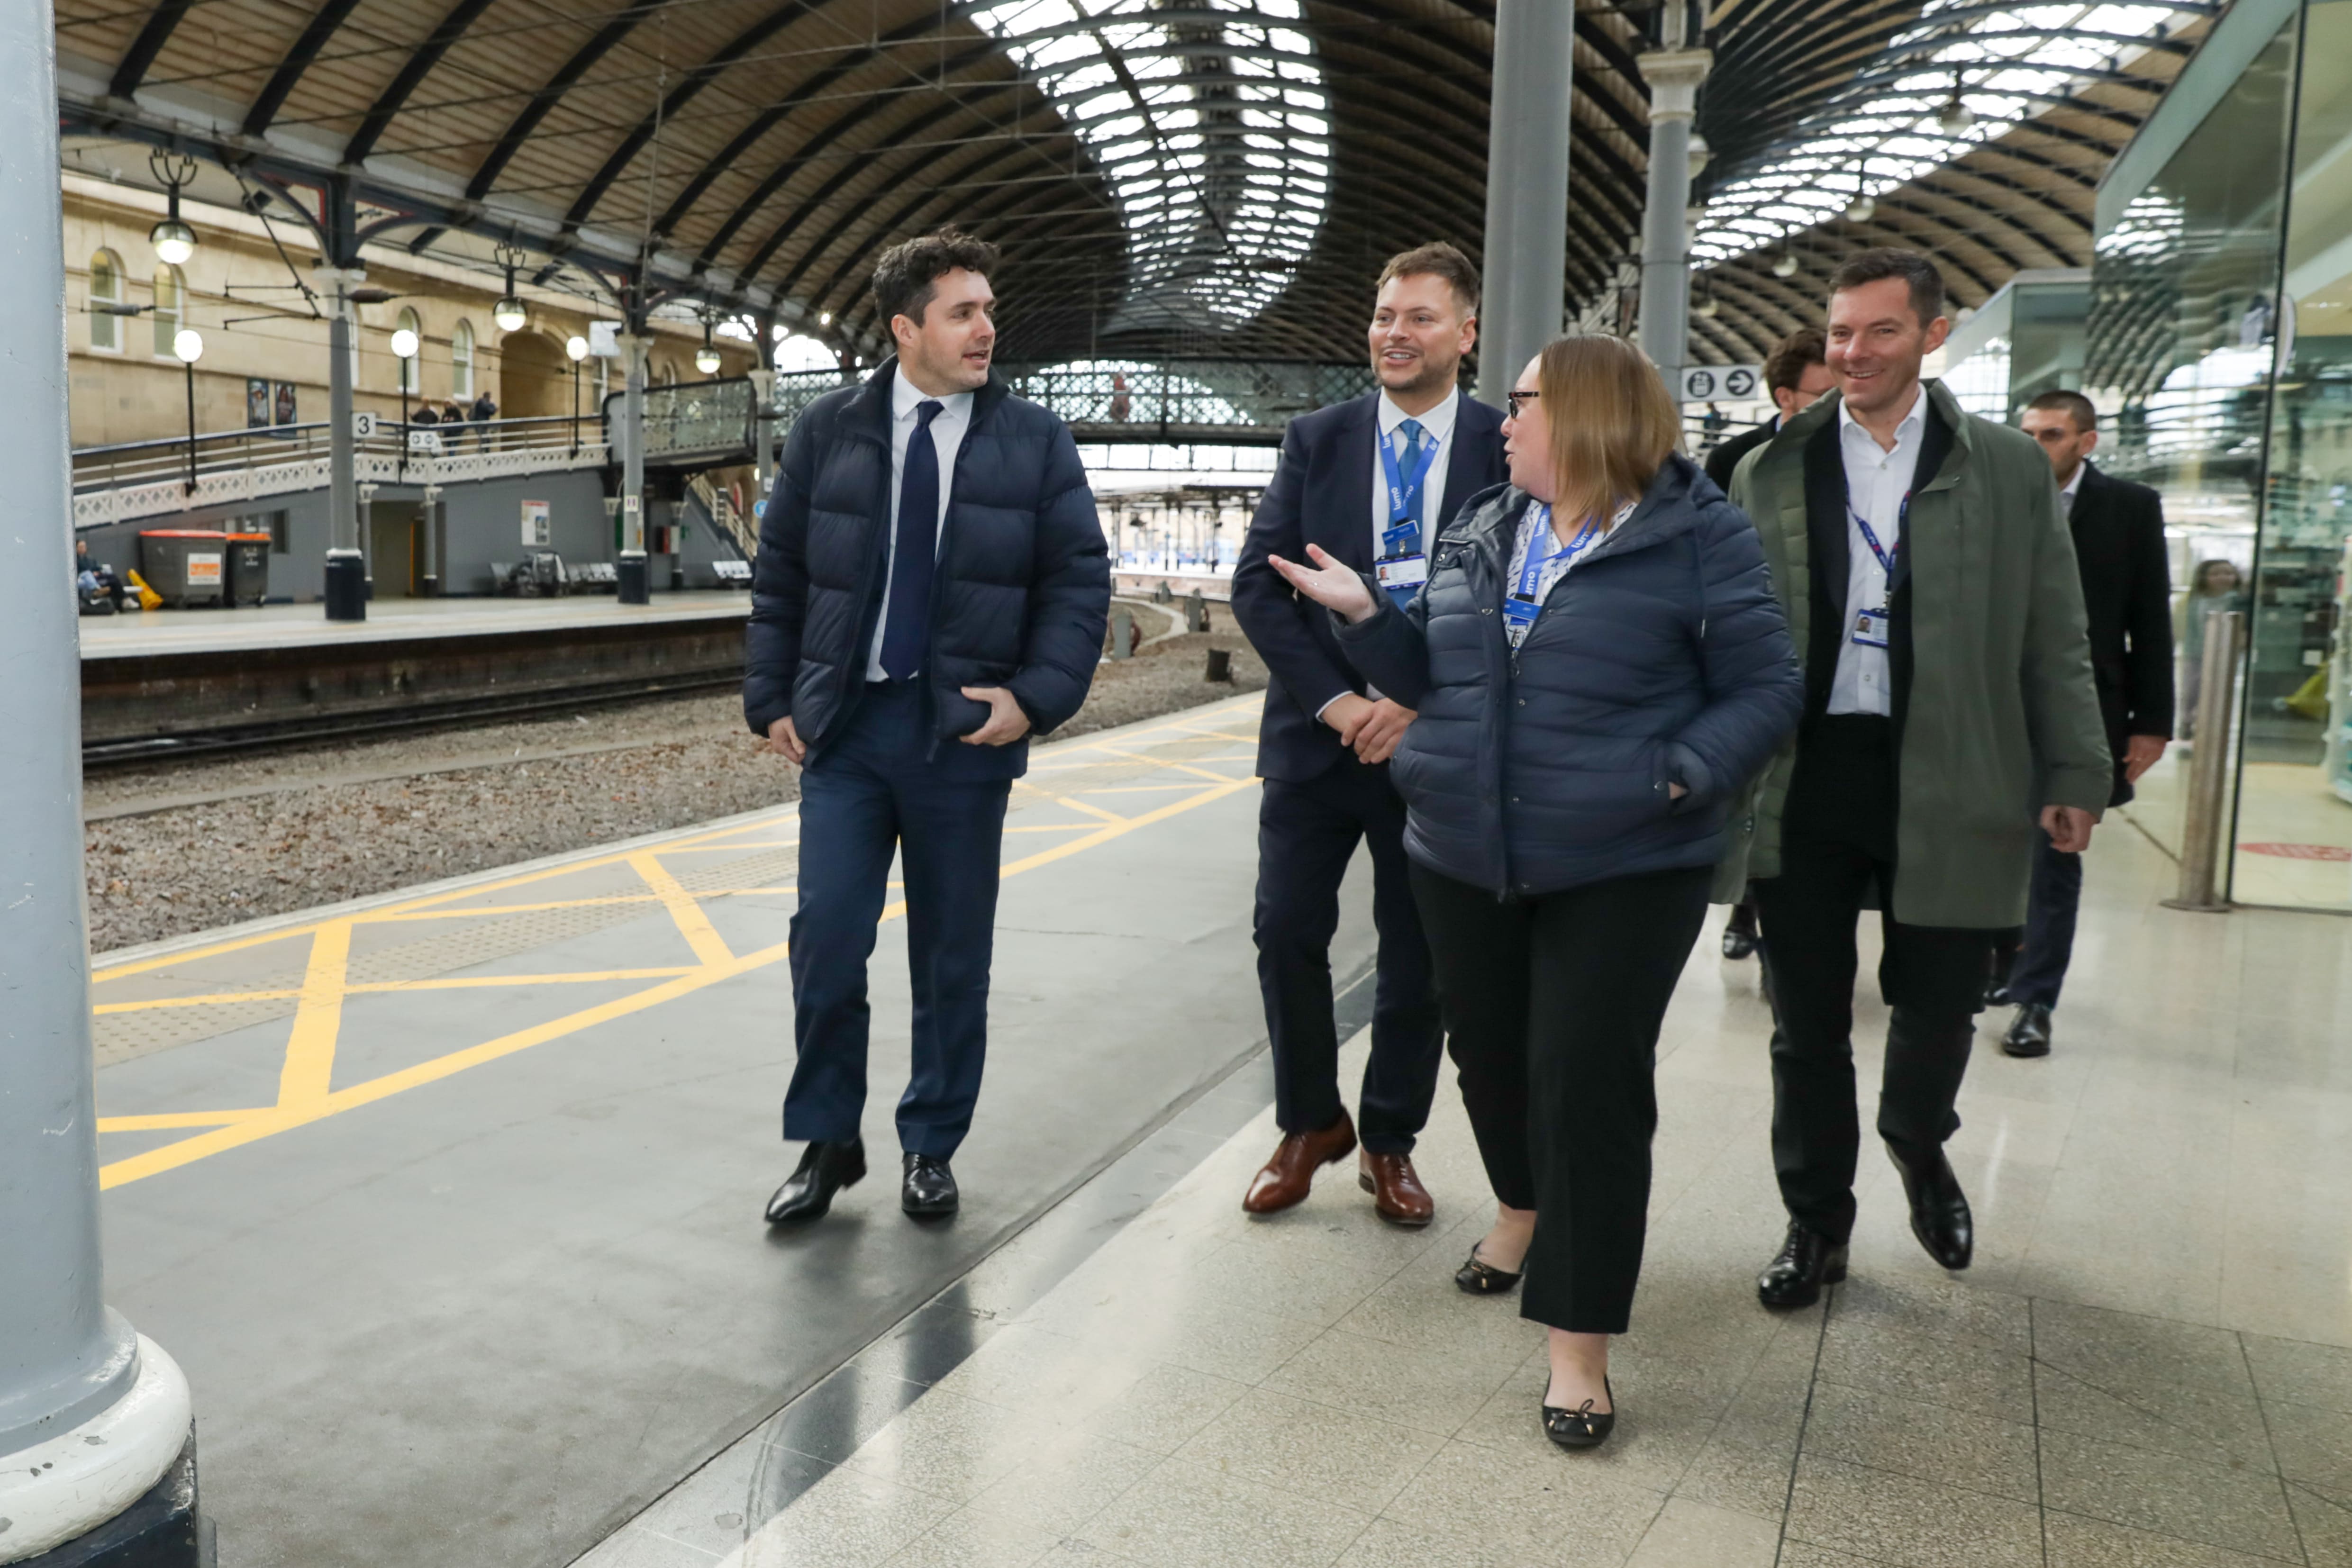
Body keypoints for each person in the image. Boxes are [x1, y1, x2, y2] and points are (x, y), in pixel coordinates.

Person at [1271, 334, 1801, 1448]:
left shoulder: (1699, 535)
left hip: (1624, 858)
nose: (1501, 424)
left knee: (1588, 1082)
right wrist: (1366, 619)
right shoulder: (1486, 527)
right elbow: (1436, 676)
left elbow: (1765, 687)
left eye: (1519, 406)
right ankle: (1519, 1205)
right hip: (1463, 848)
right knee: (1495, 1056)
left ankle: (1578, 1344)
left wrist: (1678, 773)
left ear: (1589, 417)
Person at [1725, 249, 2112, 1308]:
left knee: (1938, 1002)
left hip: (1958, 765)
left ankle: (1915, 1139)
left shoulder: (2005, 467)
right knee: (1804, 1021)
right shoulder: (1772, 467)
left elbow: (2055, 631)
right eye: (1841, 331)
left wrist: (2075, 769)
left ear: (1931, 336)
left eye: (1879, 331)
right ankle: (1816, 1221)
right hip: (1811, 771)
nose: (1852, 351)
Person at [745, 230, 1110, 1224]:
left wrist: (1034, 697)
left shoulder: (1032, 439)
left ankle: (930, 1142)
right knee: (825, 935)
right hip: (851, 730)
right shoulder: (829, 429)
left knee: (953, 955)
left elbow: (1078, 582)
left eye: (989, 309)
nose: (987, 328)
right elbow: (783, 572)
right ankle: (827, 1141)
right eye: (963, 311)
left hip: (960, 733)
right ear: (906, 327)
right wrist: (773, 697)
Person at [1228, 242, 1508, 1225]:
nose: (1395, 333)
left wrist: (1422, 700)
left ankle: (1389, 1139)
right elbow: (1258, 585)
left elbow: (1518, 600)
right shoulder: (1320, 437)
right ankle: (1310, 1121)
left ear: (1465, 333)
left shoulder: (1506, 441)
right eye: (1386, 315)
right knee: (1285, 931)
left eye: (1420, 318)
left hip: (1433, 744)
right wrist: (1337, 703)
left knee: (1418, 952)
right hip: (1317, 740)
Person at [1989, 390, 2172, 1057]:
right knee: (1990, 839)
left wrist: (2150, 723)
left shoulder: (2128, 508)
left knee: (2053, 850)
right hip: (1992, 700)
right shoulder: (1994, 497)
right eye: (2027, 432)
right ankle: (1999, 962)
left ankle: (2035, 997)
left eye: (2050, 434)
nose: (2034, 445)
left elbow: (2149, 620)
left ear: (2085, 443)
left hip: (2079, 708)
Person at [1705, 328, 1837, 961]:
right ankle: (1743, 909)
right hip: (1757, 659)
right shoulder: (1736, 463)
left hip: (1830, 665)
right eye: (1822, 392)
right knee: (1753, 792)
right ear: (1785, 397)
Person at [2177, 559, 2243, 740]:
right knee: (2192, 690)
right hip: (2195, 653)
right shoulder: (2193, 601)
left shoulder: (2239, 601)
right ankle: (2188, 722)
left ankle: (2214, 725)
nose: (2223, 578)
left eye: (2228, 573)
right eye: (2216, 574)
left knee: (2221, 690)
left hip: (2226, 655)